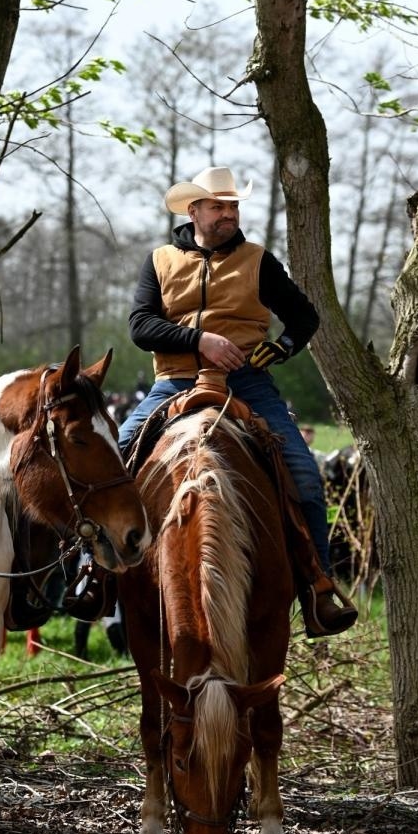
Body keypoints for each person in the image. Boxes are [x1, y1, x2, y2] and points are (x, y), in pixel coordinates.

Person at [119, 165, 357, 636]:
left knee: (306, 475)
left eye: (233, 206)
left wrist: (284, 346)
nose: (228, 214)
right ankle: (92, 569)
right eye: (218, 206)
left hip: (246, 382)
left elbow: (304, 317)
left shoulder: (258, 260)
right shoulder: (160, 260)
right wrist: (199, 339)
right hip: (175, 380)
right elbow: (140, 326)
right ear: (194, 211)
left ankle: (319, 584)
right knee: (120, 450)